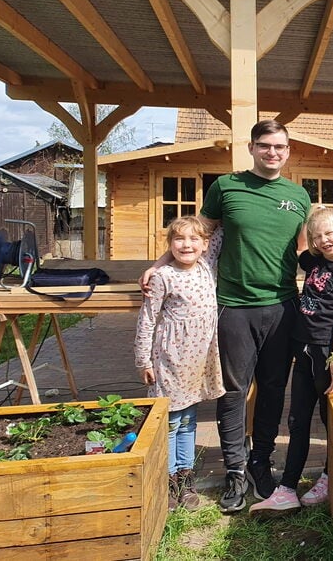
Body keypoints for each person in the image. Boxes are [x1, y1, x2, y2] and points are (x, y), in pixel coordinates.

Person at [141, 119, 310, 512]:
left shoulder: (297, 196)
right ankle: (235, 470)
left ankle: (260, 462)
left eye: (280, 147)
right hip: (234, 306)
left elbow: (304, 249)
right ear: (252, 148)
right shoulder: (227, 187)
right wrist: (160, 263)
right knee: (232, 391)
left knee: (272, 390)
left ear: (288, 151)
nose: (273, 153)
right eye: (265, 146)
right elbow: (198, 233)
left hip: (282, 306)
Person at [250, 207, 333, 512]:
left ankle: (329, 476)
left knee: (331, 422)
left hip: (327, 355)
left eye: (330, 232)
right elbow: (300, 246)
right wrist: (306, 214)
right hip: (302, 352)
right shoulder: (313, 261)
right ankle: (287, 488)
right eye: (318, 235)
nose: (324, 239)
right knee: (297, 421)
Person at [135, 216, 225, 512]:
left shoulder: (206, 267)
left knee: (188, 420)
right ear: (169, 244)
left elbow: (221, 228)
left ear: (204, 245)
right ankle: (169, 478)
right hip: (170, 360)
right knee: (171, 422)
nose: (187, 245)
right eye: (179, 239)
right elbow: (147, 319)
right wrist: (143, 359)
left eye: (193, 239)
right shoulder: (163, 277)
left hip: (198, 362)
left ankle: (186, 477)